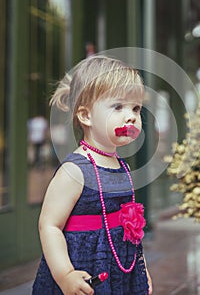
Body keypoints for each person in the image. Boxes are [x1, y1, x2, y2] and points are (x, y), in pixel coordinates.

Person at [32, 56, 153, 295]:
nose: (131, 116)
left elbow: (131, 231)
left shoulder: (123, 167)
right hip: (83, 269)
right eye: (118, 106)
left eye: (136, 108)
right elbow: (49, 225)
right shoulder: (75, 170)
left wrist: (142, 269)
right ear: (86, 116)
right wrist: (65, 275)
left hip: (120, 269)